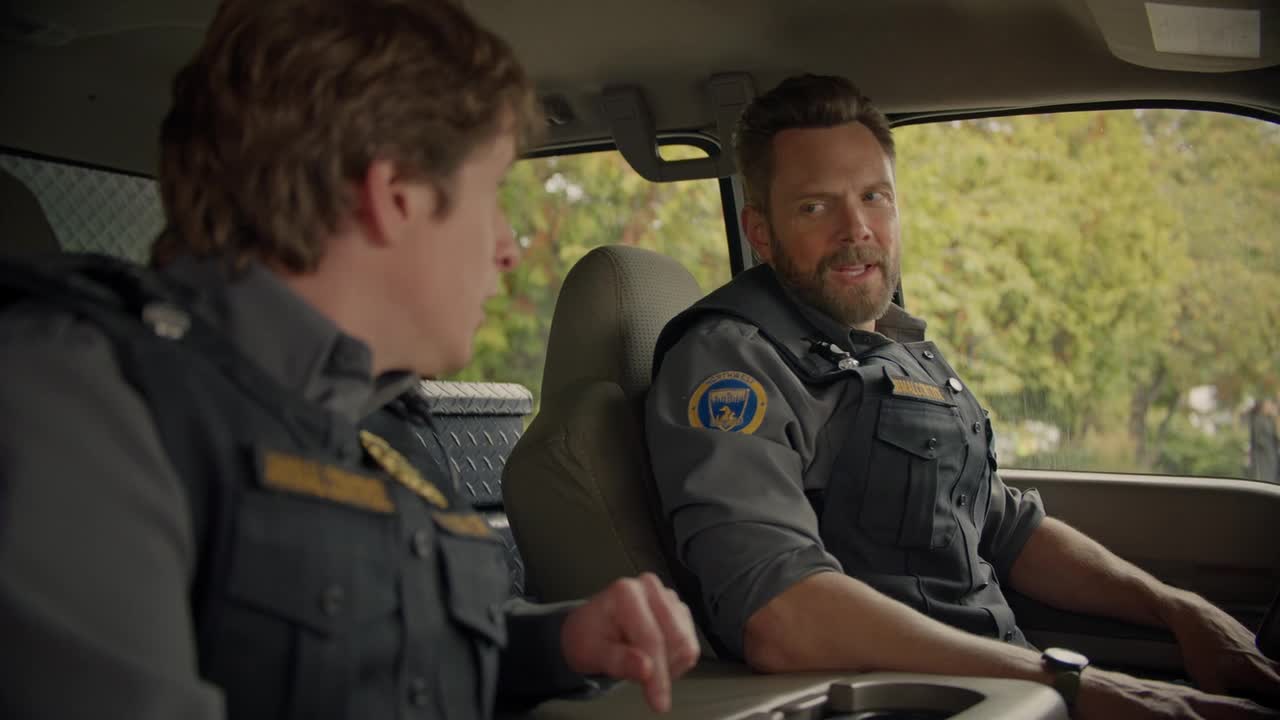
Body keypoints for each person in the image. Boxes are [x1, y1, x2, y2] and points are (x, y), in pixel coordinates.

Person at [0, 1, 698, 718]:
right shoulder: (75, 396)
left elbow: (381, 652)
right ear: (393, 196)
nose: (507, 248)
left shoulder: (369, 420)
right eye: (490, 196)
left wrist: (559, 643)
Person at [646, 74, 1280, 719]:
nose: (856, 229)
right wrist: (1078, 686)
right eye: (815, 206)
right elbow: (780, 614)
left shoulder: (893, 347)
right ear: (760, 231)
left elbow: (1002, 526)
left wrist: (1178, 610)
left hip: (1007, 692)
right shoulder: (732, 361)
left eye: (874, 197)